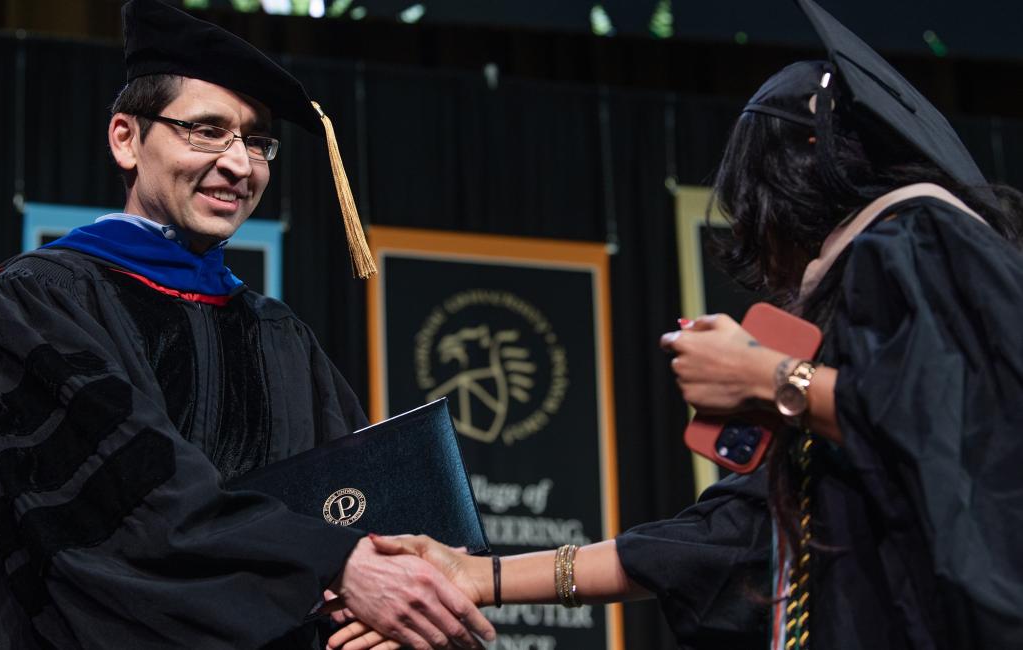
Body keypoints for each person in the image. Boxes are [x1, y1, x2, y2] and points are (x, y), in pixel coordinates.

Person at [328, 1, 1023, 649]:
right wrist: (480, 577)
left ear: (792, 160)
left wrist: (774, 377)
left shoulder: (922, 237)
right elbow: (722, 537)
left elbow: (979, 433)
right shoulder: (845, 308)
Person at [0, 1, 495, 648]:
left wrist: (383, 608)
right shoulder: (37, 304)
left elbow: (352, 503)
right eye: (207, 131)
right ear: (126, 139)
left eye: (257, 141)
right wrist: (334, 562)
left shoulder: (279, 338)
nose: (241, 165)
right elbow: (135, 507)